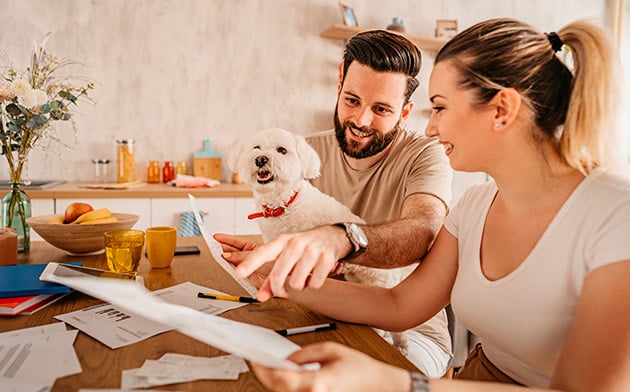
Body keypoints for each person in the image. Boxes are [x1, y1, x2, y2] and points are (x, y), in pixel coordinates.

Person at [233, 18, 630, 391]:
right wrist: (275, 275)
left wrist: (393, 382)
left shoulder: (616, 217)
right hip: (479, 376)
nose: (430, 126)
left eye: (439, 107)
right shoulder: (475, 206)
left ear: (502, 110)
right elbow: (399, 303)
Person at [215, 29, 454, 377]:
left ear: (405, 112)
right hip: (321, 312)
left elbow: (424, 231)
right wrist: (277, 261)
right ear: (339, 83)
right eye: (352, 100)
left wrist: (342, 238)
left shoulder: (425, 155)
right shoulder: (300, 151)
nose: (360, 121)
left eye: (382, 109)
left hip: (412, 331)